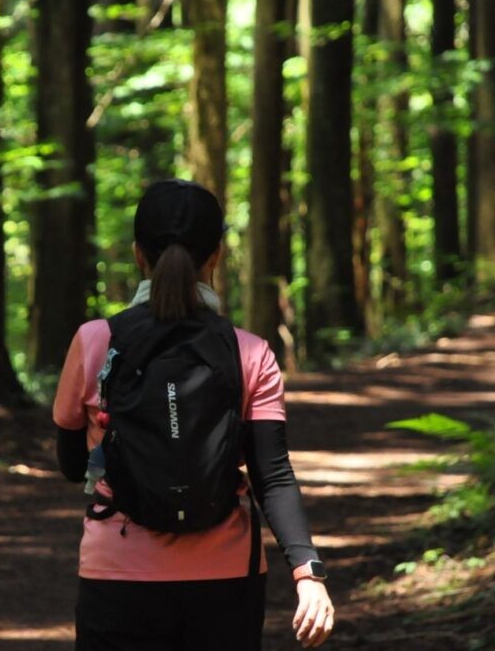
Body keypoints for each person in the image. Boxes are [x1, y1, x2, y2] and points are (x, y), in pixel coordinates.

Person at [53, 179, 334, 650]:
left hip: (118, 573)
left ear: (138, 254)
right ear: (216, 256)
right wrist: (308, 573)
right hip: (224, 581)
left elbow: (71, 466)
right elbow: (273, 474)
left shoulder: (95, 340)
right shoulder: (249, 351)